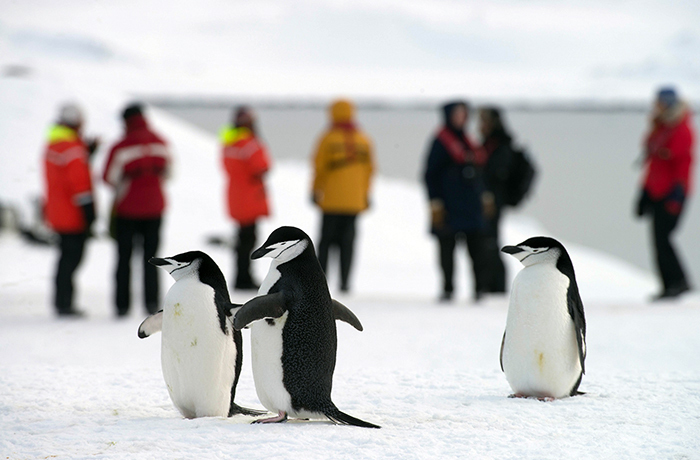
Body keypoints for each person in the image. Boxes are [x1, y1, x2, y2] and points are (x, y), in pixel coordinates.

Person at [103, 103, 171, 317]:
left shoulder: (122, 145)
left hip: (128, 209)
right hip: (155, 208)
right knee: (151, 258)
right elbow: (170, 172)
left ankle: (122, 305)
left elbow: (109, 178)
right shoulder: (160, 141)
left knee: (124, 258)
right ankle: (151, 303)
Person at [424, 101, 489, 302]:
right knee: (446, 252)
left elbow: (480, 174)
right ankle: (448, 289)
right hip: (448, 207)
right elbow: (429, 174)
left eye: (464, 114)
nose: (461, 117)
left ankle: (479, 290)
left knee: (477, 251)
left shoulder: (469, 142)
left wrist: (485, 196)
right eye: (457, 113)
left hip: (470, 207)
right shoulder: (440, 142)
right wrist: (435, 201)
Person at [635, 87, 695, 301]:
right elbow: (652, 163)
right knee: (659, 239)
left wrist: (678, 194)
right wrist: (643, 193)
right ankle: (672, 284)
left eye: (659, 102)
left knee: (663, 238)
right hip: (656, 191)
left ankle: (677, 283)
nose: (656, 106)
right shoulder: (661, 127)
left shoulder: (681, 129)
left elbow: (683, 163)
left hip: (672, 193)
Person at [311, 99, 374, 293]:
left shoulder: (328, 138)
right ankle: (345, 282)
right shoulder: (363, 139)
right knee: (348, 244)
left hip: (330, 201)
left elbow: (318, 166)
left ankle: (321, 283)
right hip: (354, 202)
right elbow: (370, 170)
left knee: (326, 244)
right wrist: (365, 195)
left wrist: (315, 190)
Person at [43, 103, 98, 317]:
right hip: (72, 214)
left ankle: (61, 301)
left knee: (64, 258)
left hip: (56, 212)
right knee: (72, 259)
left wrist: (87, 153)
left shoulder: (53, 144)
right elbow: (79, 182)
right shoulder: (73, 148)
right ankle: (65, 303)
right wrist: (88, 210)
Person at [221, 106, 271, 290]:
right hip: (250, 197)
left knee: (242, 238)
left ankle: (241, 276)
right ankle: (244, 278)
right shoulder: (250, 144)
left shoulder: (229, 143)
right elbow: (263, 166)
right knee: (248, 239)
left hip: (236, 195)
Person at [478, 107, 514, 294]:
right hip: (489, 201)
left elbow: (496, 175)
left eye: (483, 121)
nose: (480, 125)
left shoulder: (499, 145)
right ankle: (490, 285)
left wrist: (489, 196)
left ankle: (496, 287)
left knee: (490, 242)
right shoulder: (491, 143)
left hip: (494, 202)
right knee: (488, 242)